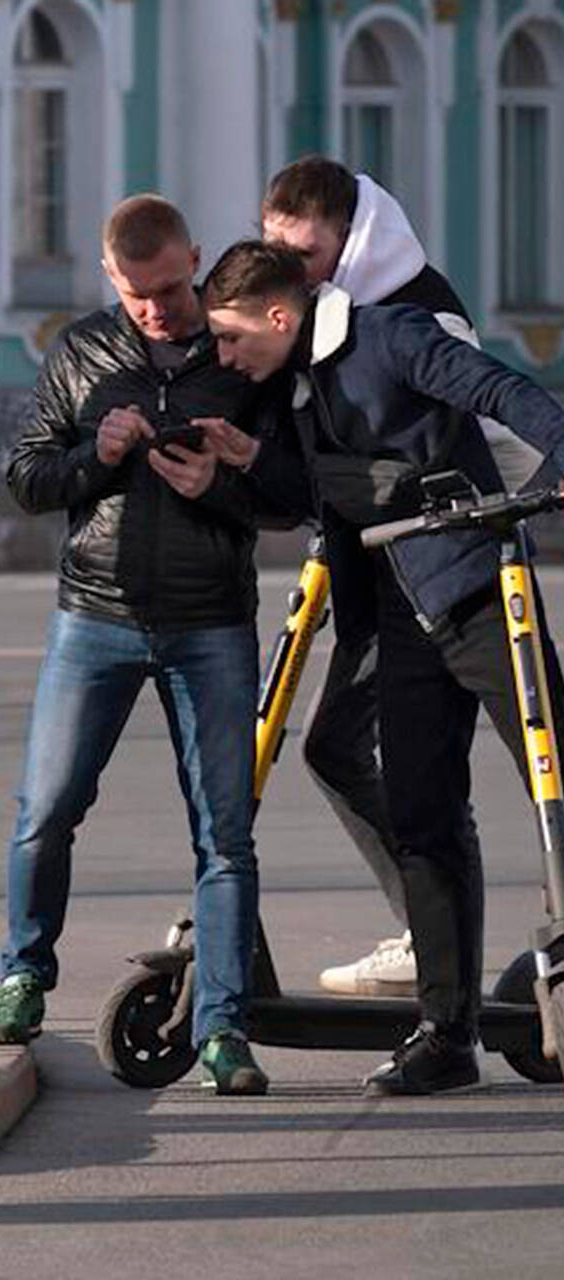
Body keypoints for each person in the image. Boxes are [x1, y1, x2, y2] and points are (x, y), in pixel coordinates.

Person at [201, 239, 564, 1094]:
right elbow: (312, 494)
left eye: (230, 337)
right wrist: (247, 462)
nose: (224, 356)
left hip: (477, 592)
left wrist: (557, 462)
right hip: (399, 621)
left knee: (556, 783)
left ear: (280, 317)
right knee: (424, 816)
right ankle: (446, 1034)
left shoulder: (392, 336)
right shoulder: (289, 382)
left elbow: (500, 389)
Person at [0, 194, 275, 1096]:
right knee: (46, 810)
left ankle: (223, 1030)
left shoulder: (239, 361)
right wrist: (96, 458)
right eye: (138, 294)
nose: (157, 309)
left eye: (172, 288)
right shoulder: (82, 352)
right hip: (94, 616)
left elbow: (291, 493)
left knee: (225, 836)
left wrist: (223, 478)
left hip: (212, 620)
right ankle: (24, 977)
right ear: (111, 277)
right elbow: (25, 478)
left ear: (194, 256)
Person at [254, 156, 559, 997]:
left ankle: (464, 947)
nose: (290, 271)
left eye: (305, 254)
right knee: (351, 757)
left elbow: (495, 400)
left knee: (548, 767)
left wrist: (541, 477)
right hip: (379, 586)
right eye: (275, 251)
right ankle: (429, 942)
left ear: (350, 243)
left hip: (460, 569)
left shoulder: (411, 317)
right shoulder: (304, 323)